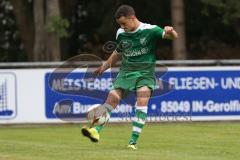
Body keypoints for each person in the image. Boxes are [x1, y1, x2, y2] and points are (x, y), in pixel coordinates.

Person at [81, 4, 178, 150]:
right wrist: (104, 66)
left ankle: (132, 142)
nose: (122, 27)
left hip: (145, 73)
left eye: (124, 23)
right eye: (120, 24)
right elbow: (117, 53)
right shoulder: (121, 33)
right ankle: (95, 131)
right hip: (126, 73)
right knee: (111, 99)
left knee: (141, 99)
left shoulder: (150, 30)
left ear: (132, 18)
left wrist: (171, 31)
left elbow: (173, 37)